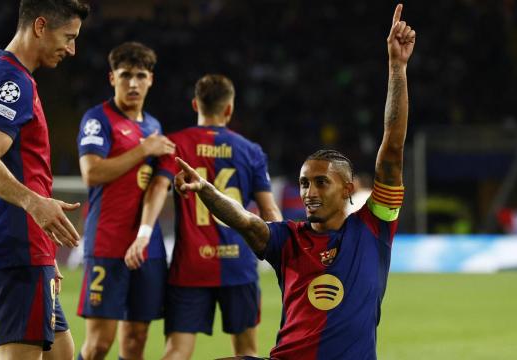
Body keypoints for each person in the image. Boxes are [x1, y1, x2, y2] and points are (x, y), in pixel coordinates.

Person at [172, 4, 415, 359]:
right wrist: (206, 190)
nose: (309, 193)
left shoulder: (373, 228)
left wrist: (397, 68)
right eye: (304, 184)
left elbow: (392, 146)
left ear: (348, 189)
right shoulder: (287, 238)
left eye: (321, 183)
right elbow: (246, 220)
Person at [0, 1, 90, 359]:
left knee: (63, 353)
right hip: (17, 246)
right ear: (39, 26)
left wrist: (45, 255)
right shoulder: (12, 80)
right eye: (68, 37)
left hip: (20, 246)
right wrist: (36, 205)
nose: (72, 48)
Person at [124, 74, 282, 360]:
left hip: (191, 266)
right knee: (246, 352)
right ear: (229, 109)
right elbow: (270, 211)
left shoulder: (175, 145)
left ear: (195, 104)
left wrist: (144, 234)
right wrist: (287, 255)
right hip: (239, 267)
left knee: (176, 351)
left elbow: (158, 187)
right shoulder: (251, 151)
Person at [76, 41, 175, 360]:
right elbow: (92, 173)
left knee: (135, 340)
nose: (133, 83)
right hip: (108, 243)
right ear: (112, 78)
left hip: (147, 246)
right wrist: (144, 150)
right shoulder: (98, 119)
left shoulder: (154, 126)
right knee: (98, 346)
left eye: (141, 75)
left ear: (151, 80)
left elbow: (157, 185)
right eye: (125, 75)